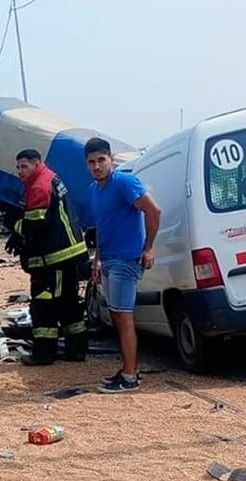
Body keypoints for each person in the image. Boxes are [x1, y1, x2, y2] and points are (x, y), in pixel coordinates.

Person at [85, 137, 162, 393]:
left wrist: (149, 247)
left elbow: (153, 211)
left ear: (111, 160)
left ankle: (129, 377)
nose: (97, 166)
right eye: (91, 162)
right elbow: (102, 225)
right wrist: (97, 258)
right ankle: (128, 369)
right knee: (117, 316)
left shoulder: (123, 182)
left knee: (124, 317)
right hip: (108, 259)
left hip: (126, 259)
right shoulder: (94, 190)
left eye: (101, 160)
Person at [7, 149, 89, 365]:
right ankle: (76, 348)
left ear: (36, 164)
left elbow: (36, 223)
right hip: (67, 256)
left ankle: (44, 353)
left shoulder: (39, 185)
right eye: (18, 167)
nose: (19, 171)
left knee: (45, 305)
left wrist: (16, 228)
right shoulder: (50, 177)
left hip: (54, 259)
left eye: (24, 166)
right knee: (69, 302)